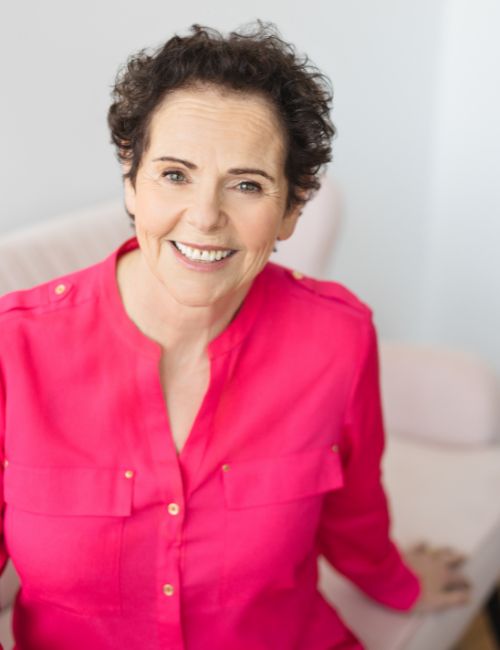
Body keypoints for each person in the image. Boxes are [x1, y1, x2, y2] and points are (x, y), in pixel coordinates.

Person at [0, 21, 470, 650]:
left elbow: (354, 510)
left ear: (292, 209)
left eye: (247, 185)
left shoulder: (338, 337)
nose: (205, 217)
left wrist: (396, 581)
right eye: (175, 174)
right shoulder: (13, 348)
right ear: (131, 181)